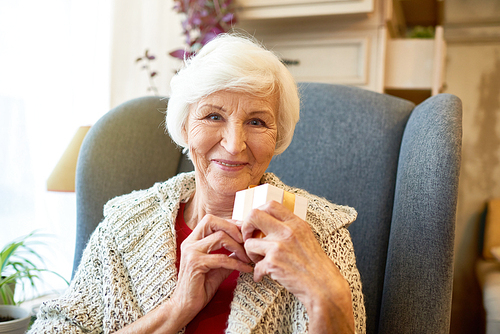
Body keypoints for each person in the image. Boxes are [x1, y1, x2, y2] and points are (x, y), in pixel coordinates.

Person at [29, 34, 366, 334]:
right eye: (213, 116)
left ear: (277, 137)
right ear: (186, 127)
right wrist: (176, 310)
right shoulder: (124, 224)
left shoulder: (322, 232)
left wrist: (327, 296)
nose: (234, 144)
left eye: (257, 121)